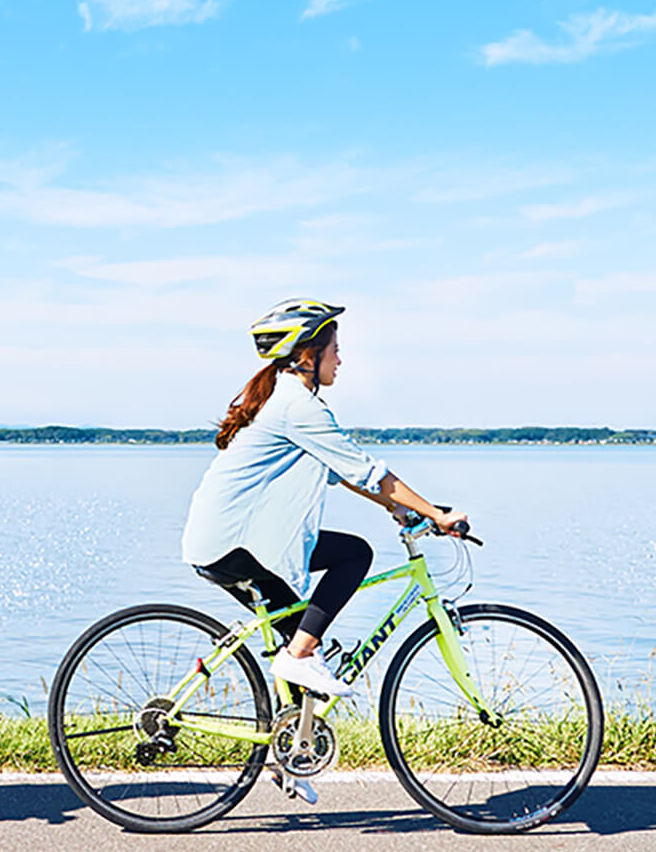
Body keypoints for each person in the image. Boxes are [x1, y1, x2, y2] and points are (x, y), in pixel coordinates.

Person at [180, 299, 467, 698]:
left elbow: (341, 471)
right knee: (353, 556)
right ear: (309, 354)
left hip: (223, 542)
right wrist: (436, 514)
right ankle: (298, 658)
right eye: (335, 350)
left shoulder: (282, 399)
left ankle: (297, 743)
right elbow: (367, 471)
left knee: (308, 640)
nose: (341, 361)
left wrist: (398, 508)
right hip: (236, 544)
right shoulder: (298, 406)